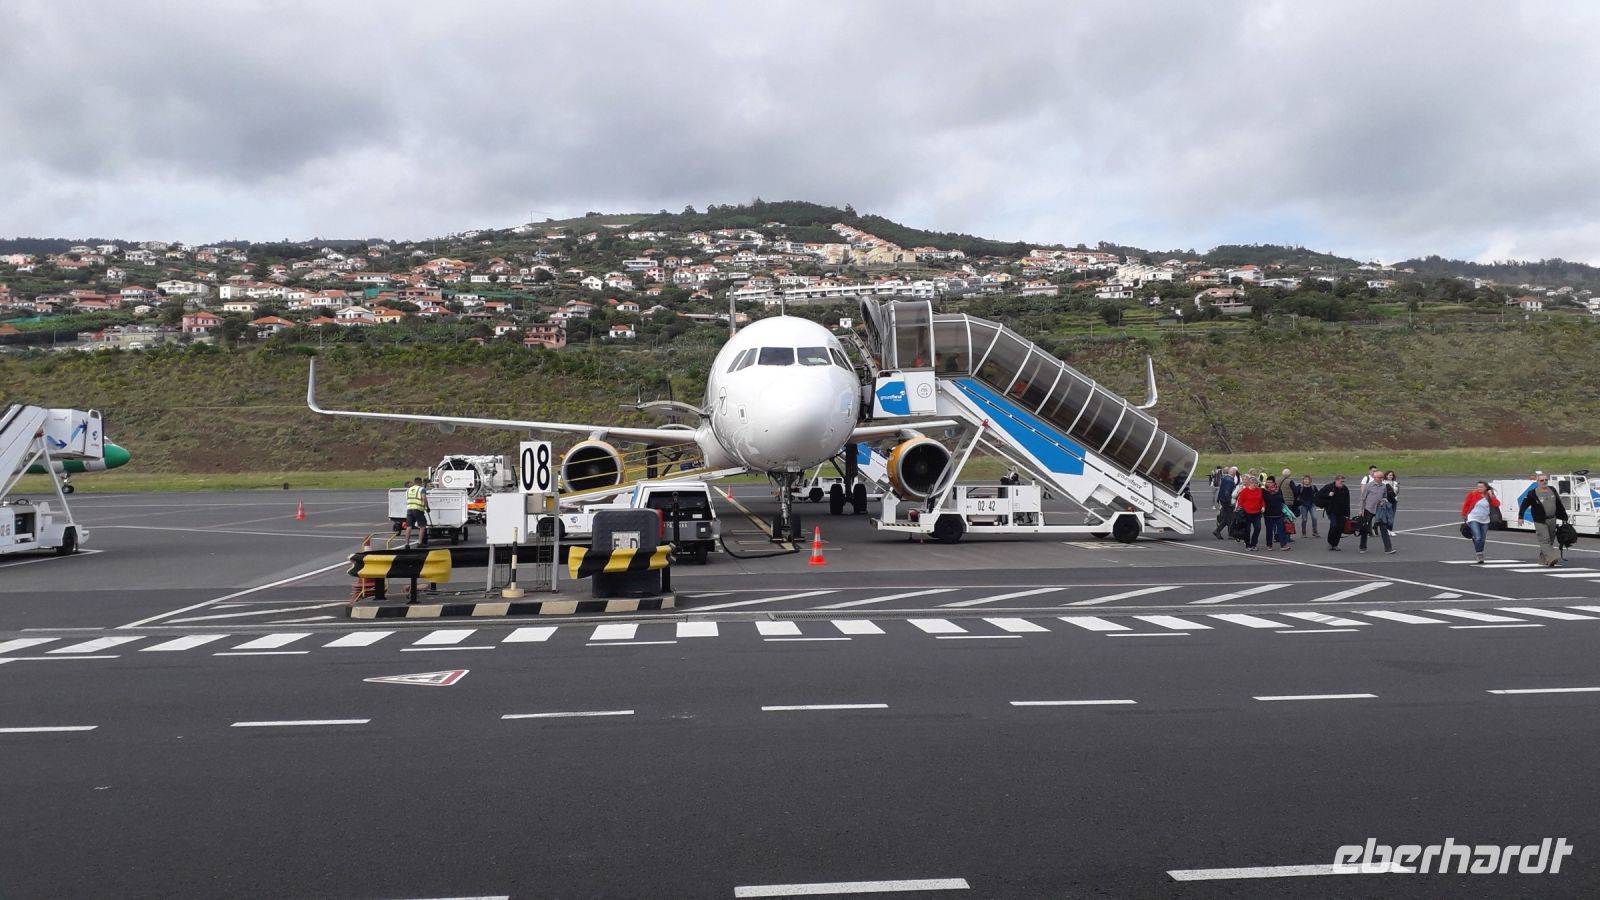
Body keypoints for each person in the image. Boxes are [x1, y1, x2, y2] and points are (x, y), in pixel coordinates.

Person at [1517, 472, 1569, 567]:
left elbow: (1559, 504)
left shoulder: (1552, 490)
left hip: (1552, 519)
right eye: (1542, 480)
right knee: (1545, 540)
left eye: (1546, 480)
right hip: (1540, 520)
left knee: (1551, 540)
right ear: (1537, 482)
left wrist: (1564, 516)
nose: (1544, 482)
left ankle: (1542, 560)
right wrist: (1520, 517)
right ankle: (1551, 558)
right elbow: (1524, 505)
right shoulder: (1533, 493)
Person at [1460, 480, 1500, 563]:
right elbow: (1466, 504)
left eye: (1481, 487)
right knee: (1478, 537)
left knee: (1482, 539)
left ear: (1486, 487)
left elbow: (1496, 504)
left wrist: (1492, 495)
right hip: (1473, 517)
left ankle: (1479, 550)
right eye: (1478, 487)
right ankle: (1479, 554)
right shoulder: (1473, 494)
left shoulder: (1489, 495)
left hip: (1485, 519)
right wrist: (1464, 515)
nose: (1479, 488)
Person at [1358, 474, 1395, 554]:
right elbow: (1363, 498)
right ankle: (1362, 547)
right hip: (1368, 509)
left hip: (1380, 510)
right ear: (1374, 478)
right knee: (1365, 529)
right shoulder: (1368, 486)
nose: (1381, 479)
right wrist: (1361, 510)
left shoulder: (1384, 486)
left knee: (1383, 528)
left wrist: (1384, 501)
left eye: (1382, 477)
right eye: (1379, 477)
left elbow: (1385, 496)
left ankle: (1388, 549)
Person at [1318, 475, 1351, 550]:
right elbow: (1319, 495)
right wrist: (1328, 495)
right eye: (1341, 481)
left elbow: (1347, 502)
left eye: (1343, 482)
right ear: (1336, 480)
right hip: (1332, 511)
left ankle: (1335, 544)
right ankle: (1330, 542)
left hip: (1342, 512)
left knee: (1340, 528)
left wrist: (1347, 514)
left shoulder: (1345, 489)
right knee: (1334, 526)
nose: (1342, 483)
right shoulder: (1329, 487)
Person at [1235, 475, 1265, 551]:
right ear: (1249, 483)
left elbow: (1262, 500)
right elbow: (1240, 502)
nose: (1255, 485)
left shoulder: (1259, 490)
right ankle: (1248, 545)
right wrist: (1241, 510)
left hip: (1257, 513)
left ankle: (1254, 544)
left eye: (1256, 483)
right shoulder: (1244, 491)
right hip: (1247, 513)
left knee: (1258, 528)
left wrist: (1263, 507)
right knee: (1247, 530)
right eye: (1253, 483)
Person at [1263, 475, 1292, 551]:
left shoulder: (1278, 490)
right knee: (1269, 530)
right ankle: (1269, 544)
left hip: (1279, 513)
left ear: (1274, 483)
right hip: (1268, 514)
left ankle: (1283, 544)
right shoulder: (1263, 491)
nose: (1269, 483)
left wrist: (1285, 510)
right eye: (1267, 482)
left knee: (1281, 529)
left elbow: (1282, 500)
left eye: (1270, 482)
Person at [403, 476, 430, 547]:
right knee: (422, 526)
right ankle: (420, 543)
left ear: (414, 482)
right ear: (420, 482)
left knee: (409, 527)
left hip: (409, 509)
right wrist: (427, 507)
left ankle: (406, 544)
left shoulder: (408, 490)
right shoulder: (422, 489)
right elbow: (424, 498)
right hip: (418, 509)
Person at [1212, 466, 1238, 539]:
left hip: (1222, 500)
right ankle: (1230, 534)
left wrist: (1218, 499)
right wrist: (1230, 501)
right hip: (1227, 501)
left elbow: (1221, 490)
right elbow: (1227, 492)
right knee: (1231, 517)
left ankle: (1218, 531)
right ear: (1234, 473)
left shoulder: (1224, 478)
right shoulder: (1230, 481)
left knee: (1227, 518)